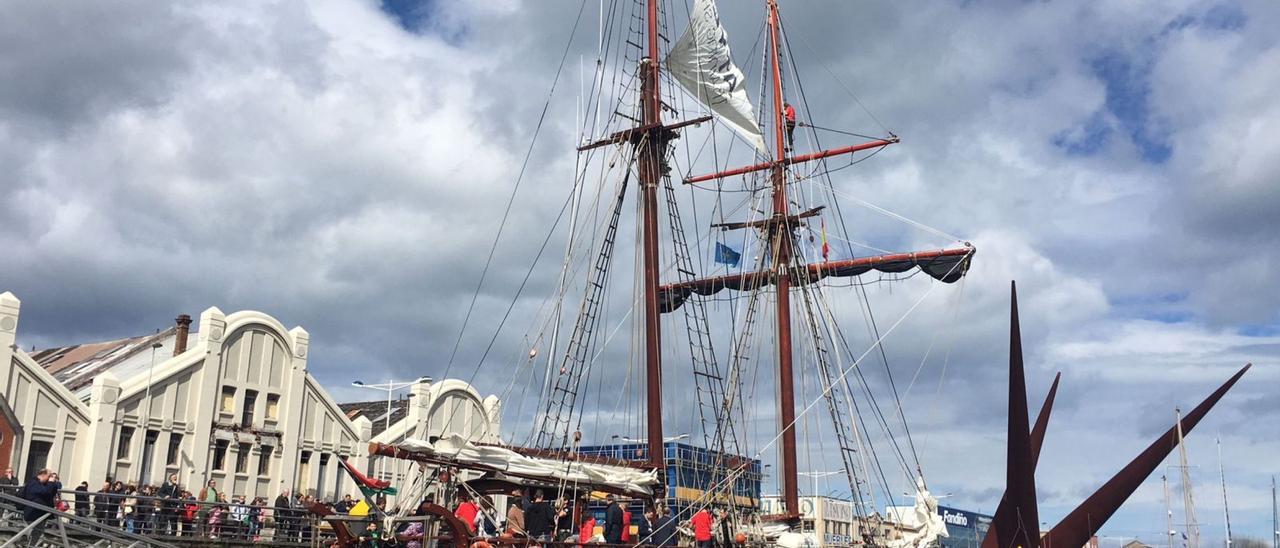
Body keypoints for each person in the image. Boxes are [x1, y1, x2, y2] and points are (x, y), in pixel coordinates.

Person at [20, 468, 61, 547]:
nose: (50, 478)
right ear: (43, 475)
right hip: (33, 514)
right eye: (49, 476)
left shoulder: (43, 484)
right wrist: (50, 483)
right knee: (35, 535)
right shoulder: (34, 483)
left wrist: (52, 483)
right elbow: (44, 492)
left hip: (40, 514)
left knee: (38, 534)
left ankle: (31, 545)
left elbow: (51, 492)